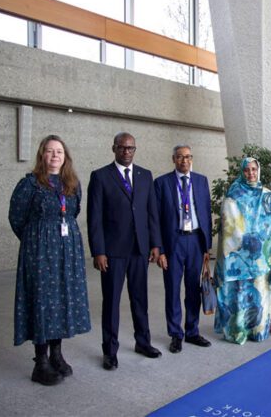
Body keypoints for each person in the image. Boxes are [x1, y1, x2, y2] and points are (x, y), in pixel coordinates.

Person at [9, 135, 91, 386]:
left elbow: (74, 212)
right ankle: (41, 362)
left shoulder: (73, 184)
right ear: (42, 155)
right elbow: (16, 218)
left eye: (59, 151)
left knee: (62, 299)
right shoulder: (29, 184)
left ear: (65, 157)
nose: (55, 155)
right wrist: (36, 239)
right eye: (50, 151)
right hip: (40, 253)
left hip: (67, 252)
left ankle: (57, 354)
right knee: (43, 301)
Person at [87, 132, 162, 370]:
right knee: (111, 302)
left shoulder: (145, 175)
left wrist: (155, 244)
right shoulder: (100, 176)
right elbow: (94, 218)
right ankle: (110, 351)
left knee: (140, 299)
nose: (126, 152)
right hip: (113, 252)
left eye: (130, 148)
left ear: (135, 150)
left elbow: (152, 213)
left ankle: (143, 342)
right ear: (114, 149)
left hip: (140, 250)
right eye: (122, 148)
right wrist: (98, 251)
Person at [214, 157, 271, 345]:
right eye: (247, 170)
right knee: (241, 293)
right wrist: (249, 241)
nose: (251, 173)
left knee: (260, 291)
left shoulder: (267, 194)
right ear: (242, 172)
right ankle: (239, 330)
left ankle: (258, 330)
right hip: (240, 258)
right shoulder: (233, 195)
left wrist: (262, 240)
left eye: (254, 169)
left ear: (258, 170)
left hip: (262, 256)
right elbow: (229, 227)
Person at [154, 145, 213, 354]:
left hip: (196, 240)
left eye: (187, 157)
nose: (184, 161)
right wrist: (160, 249)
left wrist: (206, 246)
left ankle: (192, 331)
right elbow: (155, 219)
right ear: (173, 159)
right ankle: (175, 334)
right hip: (174, 242)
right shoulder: (161, 183)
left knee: (193, 289)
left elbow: (206, 212)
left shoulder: (201, 180)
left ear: (191, 158)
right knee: (172, 289)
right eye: (180, 157)